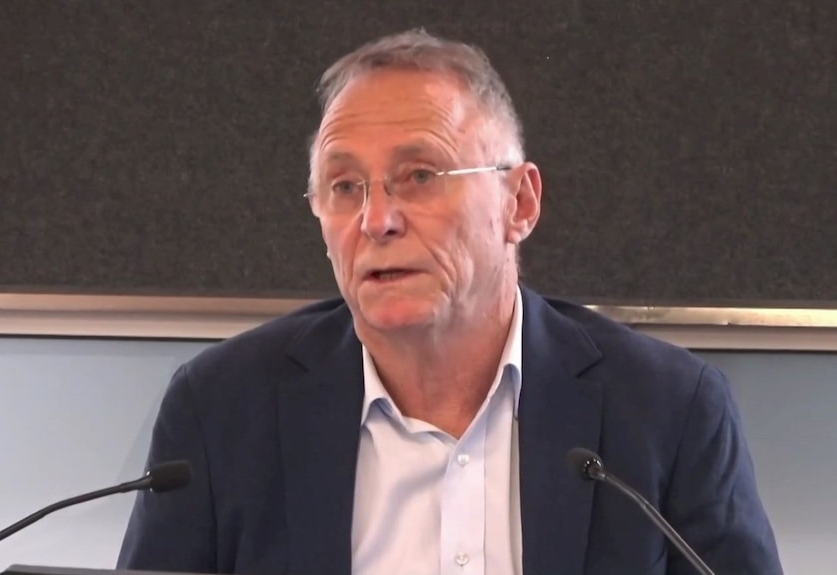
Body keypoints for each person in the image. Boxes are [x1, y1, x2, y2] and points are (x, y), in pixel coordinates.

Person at [117, 29, 783, 575]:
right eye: (344, 186)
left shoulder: (669, 409)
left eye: (420, 176)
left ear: (519, 203)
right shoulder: (222, 409)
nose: (377, 220)